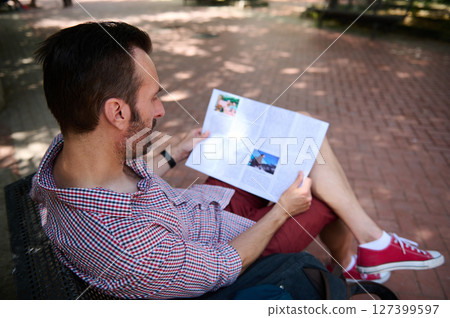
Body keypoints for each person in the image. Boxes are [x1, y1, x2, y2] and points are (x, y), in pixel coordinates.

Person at [31, 22, 444, 299]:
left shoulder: (75, 155)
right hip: (237, 247)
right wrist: (283, 211)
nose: (160, 110)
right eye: (154, 96)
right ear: (117, 112)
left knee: (299, 132)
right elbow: (221, 266)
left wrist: (177, 152)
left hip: (204, 206)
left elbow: (124, 185)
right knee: (319, 189)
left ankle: (367, 250)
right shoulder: (123, 246)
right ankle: (365, 255)